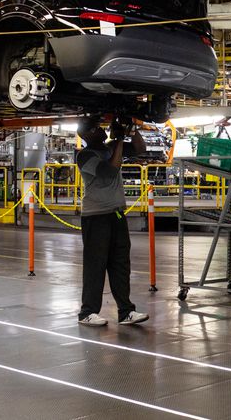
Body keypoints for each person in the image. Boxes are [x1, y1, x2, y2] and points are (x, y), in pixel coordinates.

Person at [76, 116, 149, 327]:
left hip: (116, 214)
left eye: (100, 127)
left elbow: (140, 148)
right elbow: (109, 172)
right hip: (95, 216)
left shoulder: (110, 148)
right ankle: (87, 312)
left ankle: (126, 311)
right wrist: (117, 140)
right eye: (95, 128)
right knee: (95, 265)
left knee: (120, 264)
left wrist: (131, 130)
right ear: (86, 134)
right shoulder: (85, 155)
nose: (100, 130)